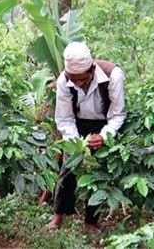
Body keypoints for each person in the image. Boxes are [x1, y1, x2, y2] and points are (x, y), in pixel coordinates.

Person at [45, 41, 126, 232]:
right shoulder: (65, 81)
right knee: (68, 167)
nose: (78, 84)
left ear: (92, 69)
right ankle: (58, 216)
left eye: (82, 79)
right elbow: (64, 118)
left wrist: (104, 136)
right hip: (76, 124)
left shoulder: (113, 76)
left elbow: (117, 114)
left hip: (104, 124)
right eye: (75, 79)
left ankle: (91, 221)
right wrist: (77, 144)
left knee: (97, 172)